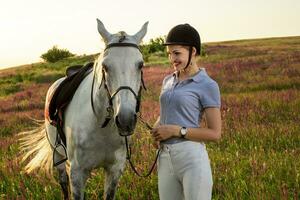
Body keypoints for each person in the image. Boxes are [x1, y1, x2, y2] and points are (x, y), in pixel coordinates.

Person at [151, 23, 222, 200]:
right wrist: (158, 127)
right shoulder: (168, 80)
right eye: (169, 54)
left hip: (191, 158)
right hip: (165, 157)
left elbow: (215, 133)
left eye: (177, 53)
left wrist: (176, 130)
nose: (172, 59)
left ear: (193, 52)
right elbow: (170, 111)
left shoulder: (208, 85)